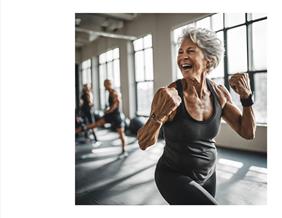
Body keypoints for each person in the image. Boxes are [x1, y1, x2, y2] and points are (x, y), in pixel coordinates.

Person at [137, 27, 256, 205]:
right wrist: (158, 116)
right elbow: (144, 142)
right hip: (173, 175)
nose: (182, 57)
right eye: (180, 52)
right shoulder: (169, 95)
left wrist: (246, 98)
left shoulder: (219, 94)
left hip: (208, 176)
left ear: (208, 61)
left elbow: (247, 132)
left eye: (190, 51)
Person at [76, 79, 128, 157]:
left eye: (105, 85)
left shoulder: (114, 93)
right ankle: (84, 127)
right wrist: (108, 110)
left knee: (121, 134)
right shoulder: (110, 93)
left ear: (108, 84)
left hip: (116, 116)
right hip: (110, 115)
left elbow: (116, 104)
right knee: (97, 123)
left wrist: (108, 110)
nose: (104, 86)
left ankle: (124, 151)